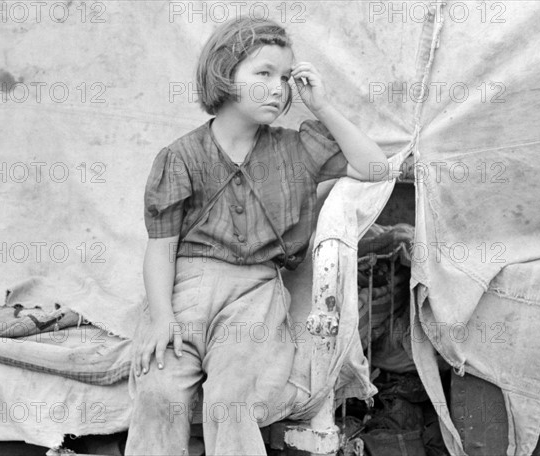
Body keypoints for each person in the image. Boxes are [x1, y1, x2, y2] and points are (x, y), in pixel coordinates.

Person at [125, 16, 389, 456]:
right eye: (262, 73)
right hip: (185, 289)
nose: (278, 87)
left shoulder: (295, 149)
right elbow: (161, 249)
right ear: (224, 75)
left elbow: (376, 169)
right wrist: (161, 316)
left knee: (231, 400)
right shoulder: (180, 157)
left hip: (255, 296)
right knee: (160, 394)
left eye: (285, 77)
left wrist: (321, 105)